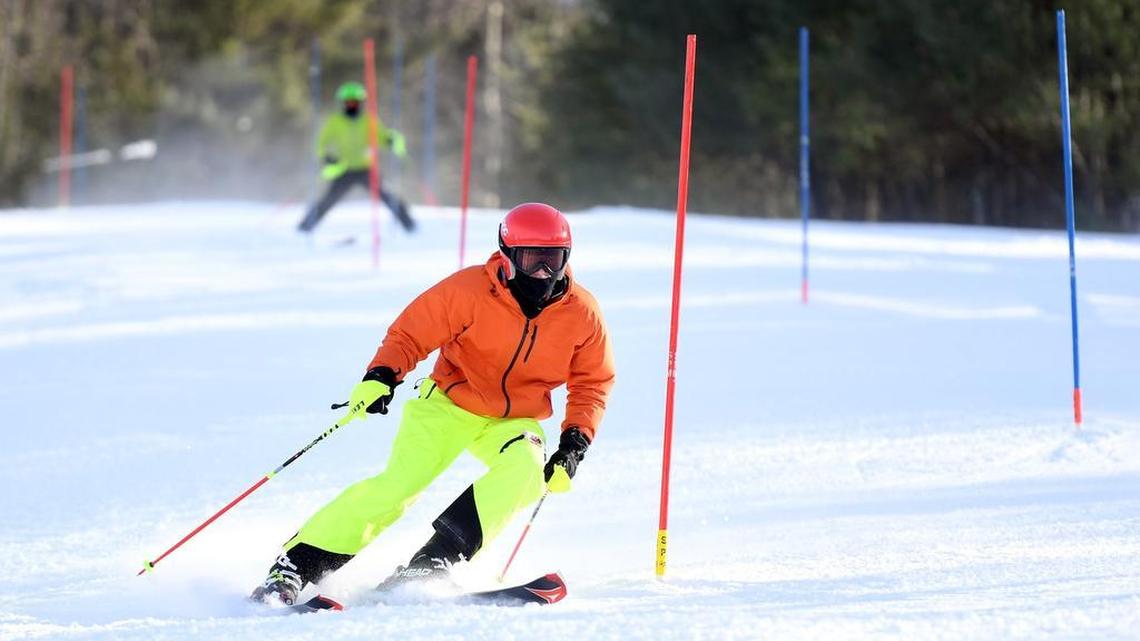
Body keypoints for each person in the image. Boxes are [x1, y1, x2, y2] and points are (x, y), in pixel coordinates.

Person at [252, 202, 615, 605]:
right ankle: (296, 566)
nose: (544, 273)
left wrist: (575, 442)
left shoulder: (582, 313)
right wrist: (382, 376)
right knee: (400, 487)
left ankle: (432, 561)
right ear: (509, 257)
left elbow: (593, 381)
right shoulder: (469, 291)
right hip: (447, 403)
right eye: (533, 260)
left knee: (525, 470)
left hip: (514, 419)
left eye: (555, 261)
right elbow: (410, 334)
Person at [297, 81, 415, 234]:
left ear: (360, 103)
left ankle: (409, 224)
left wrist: (389, 140)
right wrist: (326, 157)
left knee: (387, 196)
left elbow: (381, 137)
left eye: (355, 102)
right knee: (329, 199)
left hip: (366, 168)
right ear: (343, 103)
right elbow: (321, 143)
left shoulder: (369, 120)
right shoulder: (335, 121)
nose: (352, 105)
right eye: (348, 102)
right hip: (344, 169)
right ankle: (305, 227)